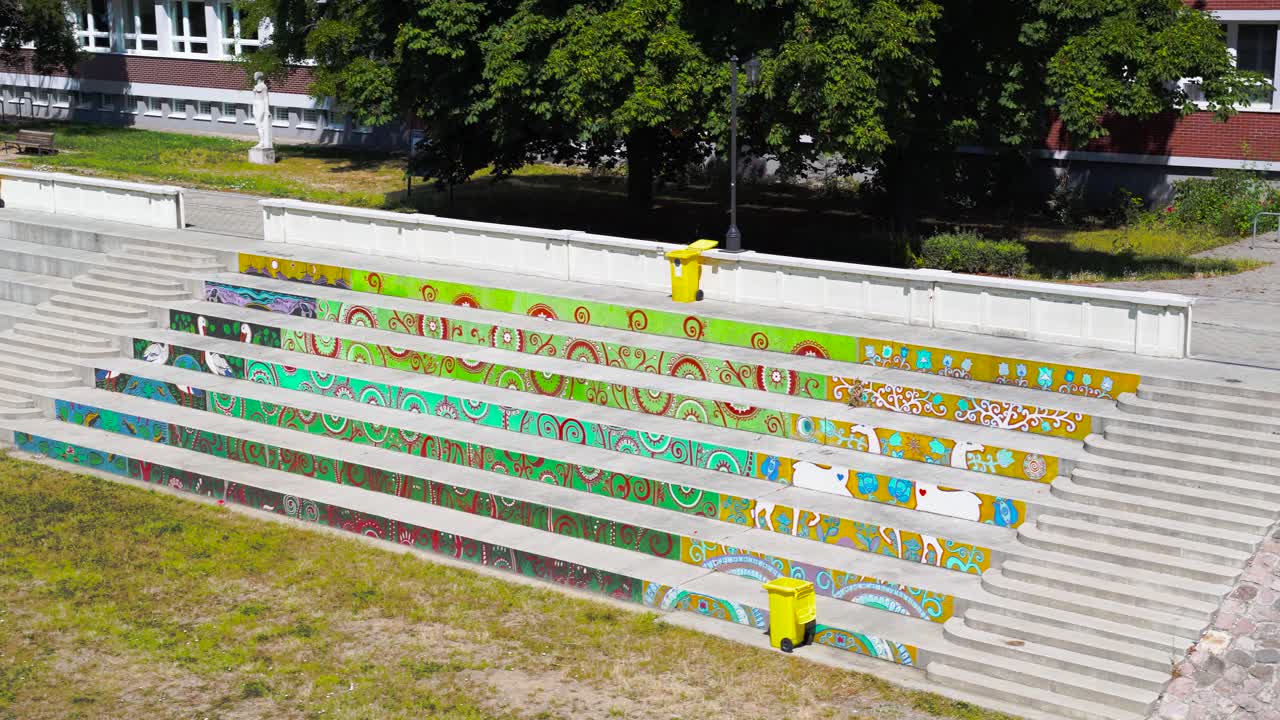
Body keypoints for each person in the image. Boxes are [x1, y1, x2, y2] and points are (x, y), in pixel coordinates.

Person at [252, 71, 272, 149]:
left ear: (258, 77)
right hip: (255, 104)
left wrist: (267, 109)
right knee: (257, 125)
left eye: (255, 75)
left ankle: (262, 142)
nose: (254, 76)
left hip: (261, 104)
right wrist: (253, 107)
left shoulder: (263, 87)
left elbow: (265, 98)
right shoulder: (256, 86)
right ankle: (261, 141)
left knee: (259, 124)